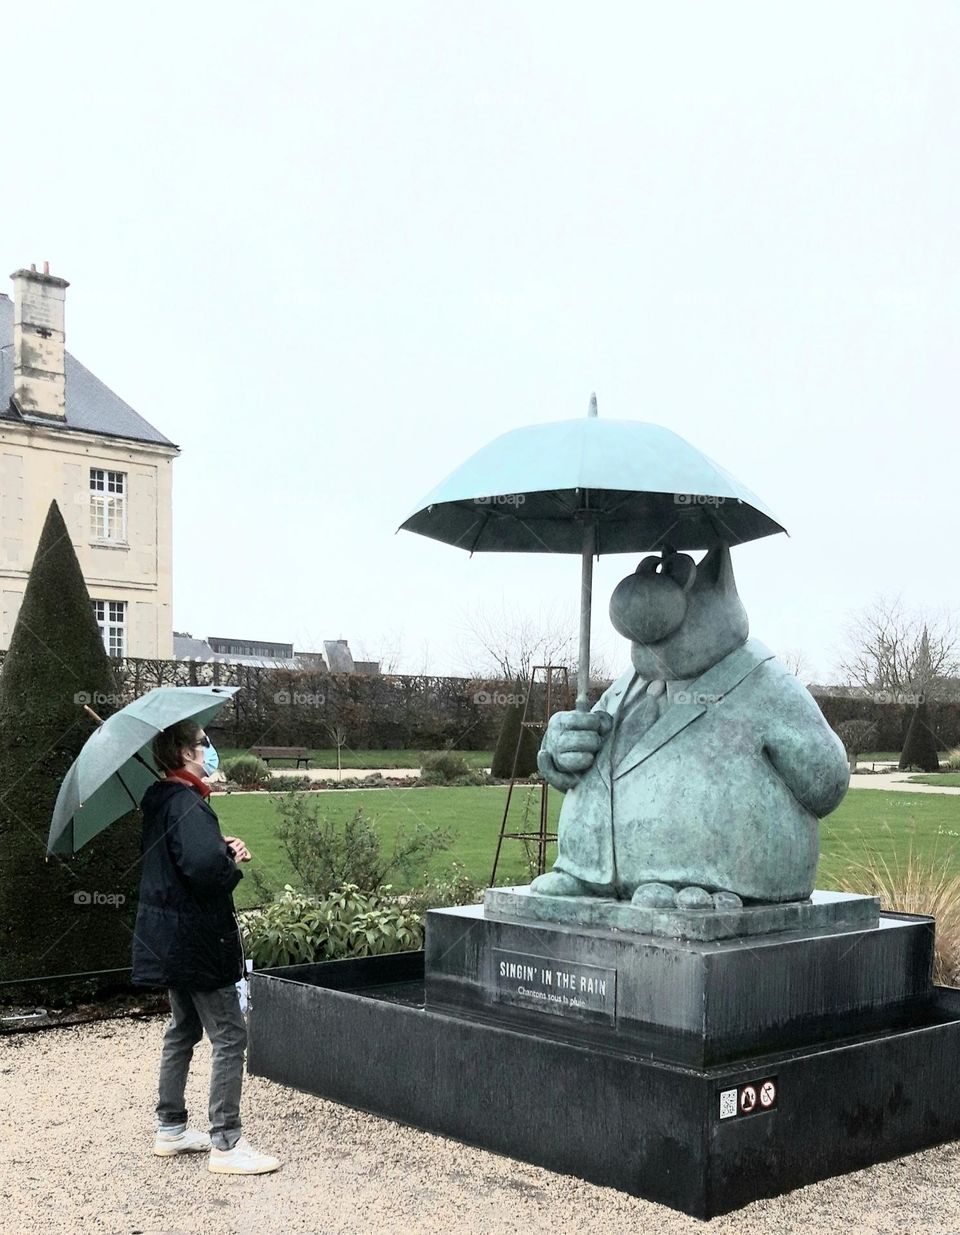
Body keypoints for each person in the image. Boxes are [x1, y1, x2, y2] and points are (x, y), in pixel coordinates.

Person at [132, 719, 281, 1175]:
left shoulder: (166, 801)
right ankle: (227, 1142)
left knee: (182, 1030)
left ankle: (171, 1128)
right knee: (231, 1034)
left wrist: (219, 846)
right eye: (202, 744)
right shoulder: (184, 803)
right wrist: (230, 860)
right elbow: (204, 873)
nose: (208, 750)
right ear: (182, 753)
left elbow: (188, 860)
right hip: (197, 941)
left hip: (172, 940)